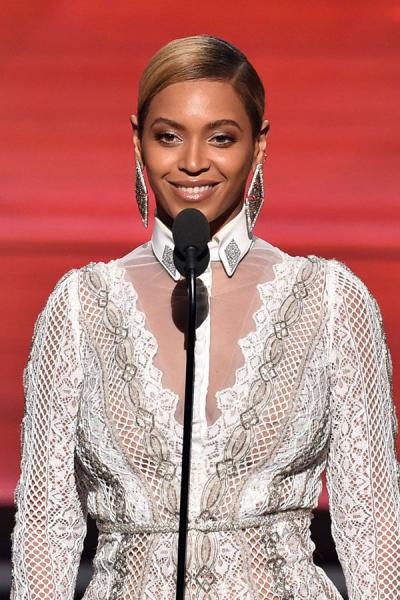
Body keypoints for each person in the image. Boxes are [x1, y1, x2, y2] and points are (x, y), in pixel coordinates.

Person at [10, 34, 400, 600]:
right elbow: (46, 522)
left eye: (221, 137)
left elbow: (373, 520)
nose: (193, 161)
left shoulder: (332, 301)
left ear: (258, 146)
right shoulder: (78, 306)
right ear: (138, 141)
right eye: (168, 136)